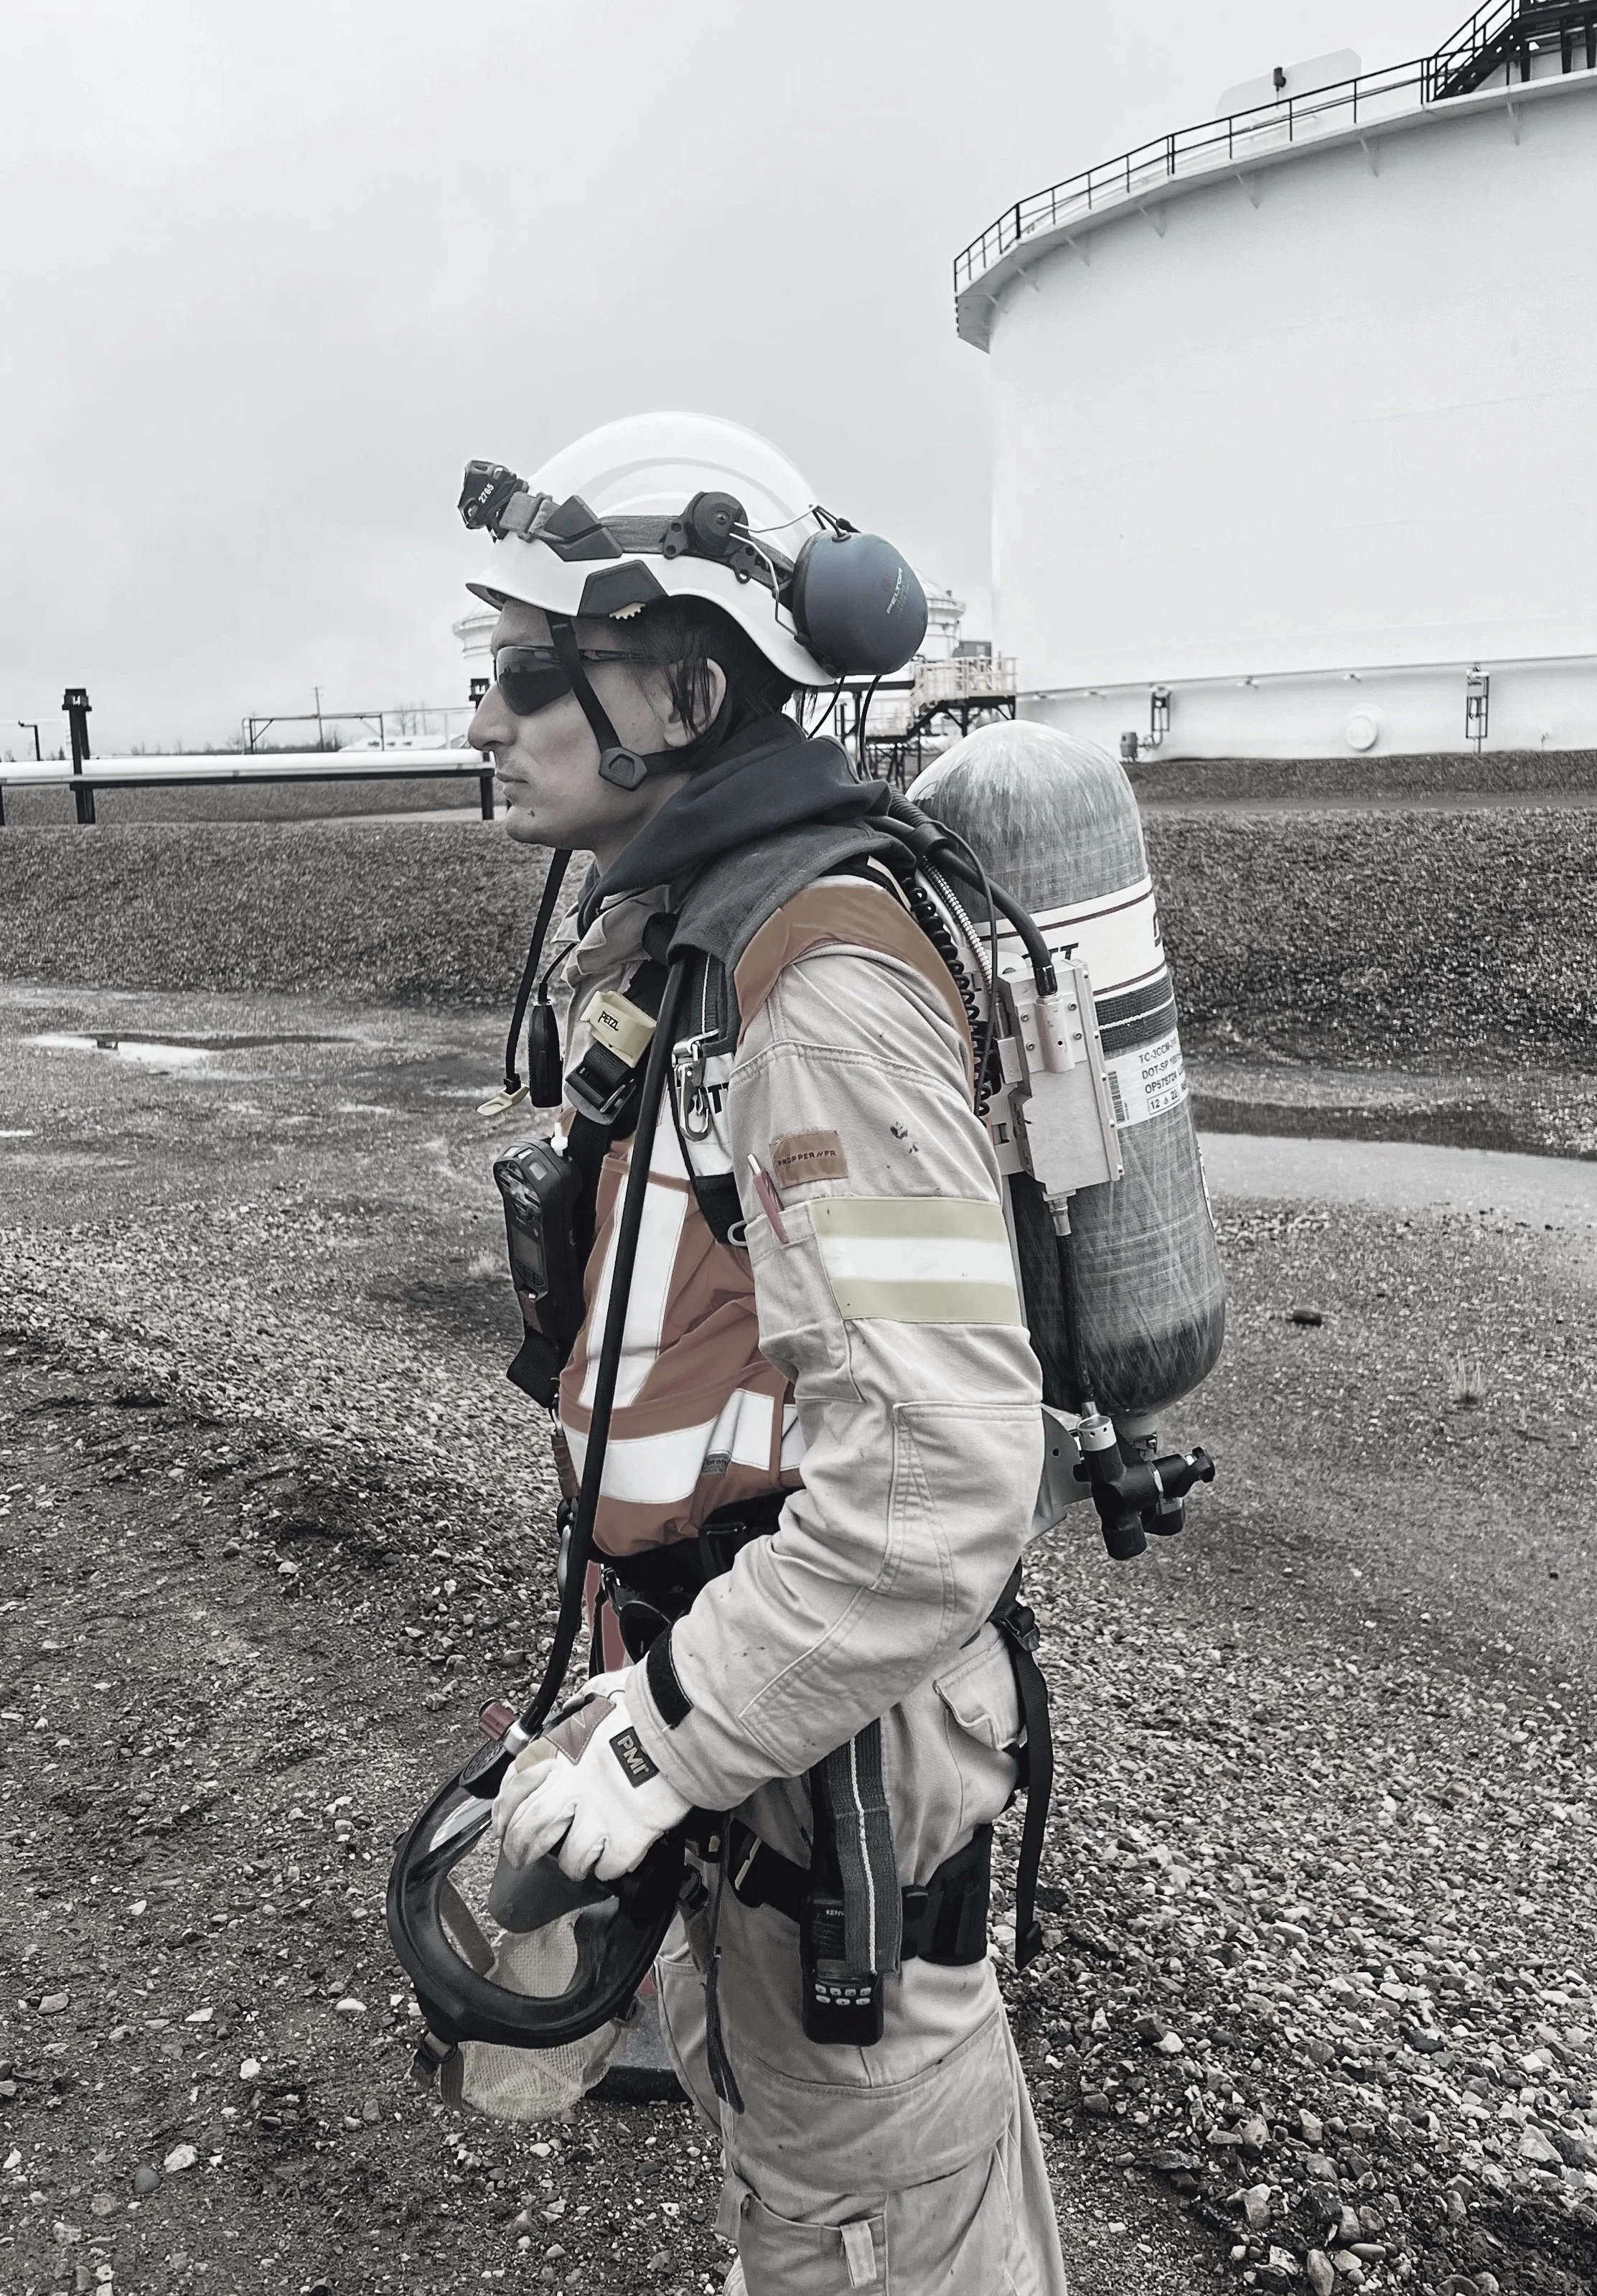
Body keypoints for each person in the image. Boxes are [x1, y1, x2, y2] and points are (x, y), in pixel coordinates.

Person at [467, 413, 1067, 2292]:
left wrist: (656, 1748)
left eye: (528, 671)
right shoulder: (697, 943)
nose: (484, 715)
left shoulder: (819, 990)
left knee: (867, 2207)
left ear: (685, 691)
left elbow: (936, 1486)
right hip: (761, 1687)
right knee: (799, 2158)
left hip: (839, 1741)